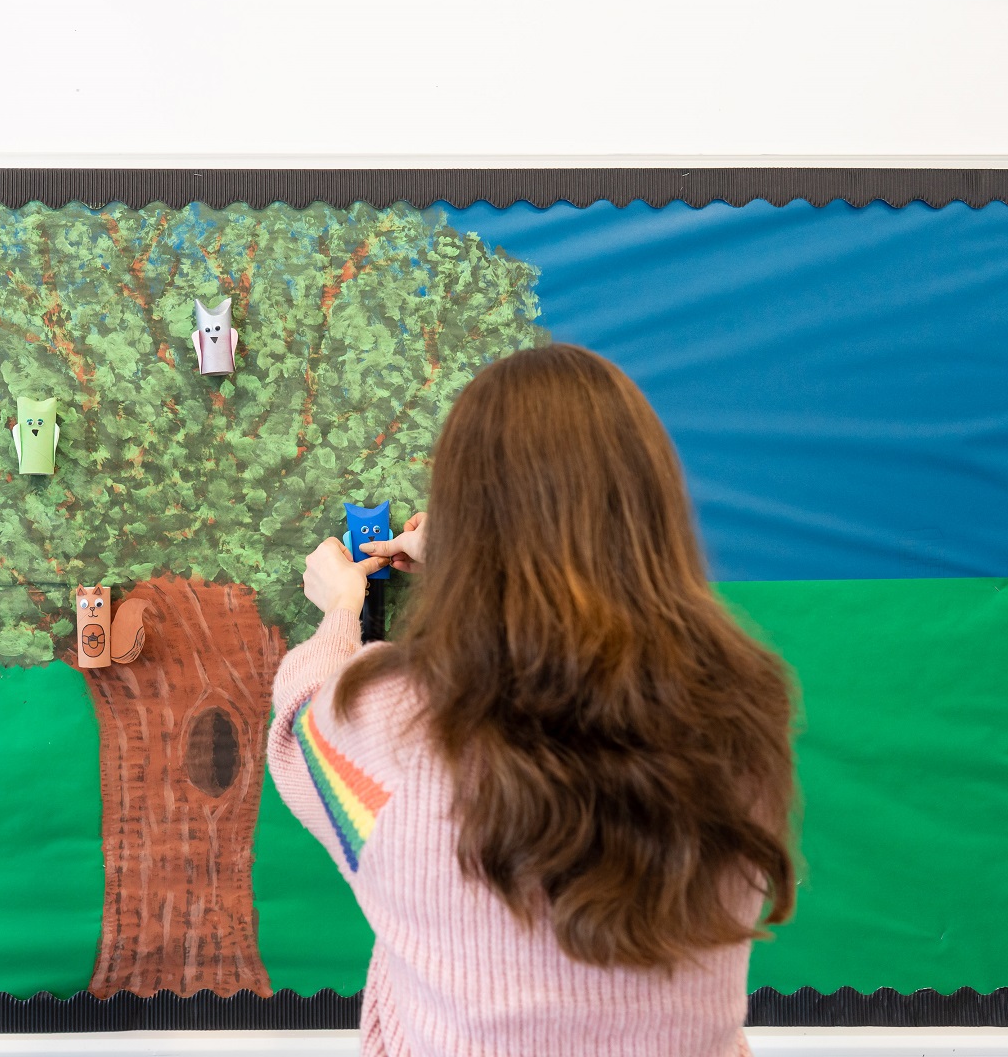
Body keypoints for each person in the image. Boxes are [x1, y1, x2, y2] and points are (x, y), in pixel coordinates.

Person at [267, 343, 796, 1057]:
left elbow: (301, 718)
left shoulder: (384, 732)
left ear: (464, 518)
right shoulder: (740, 713)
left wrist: (342, 608)